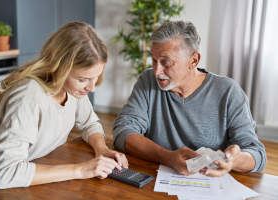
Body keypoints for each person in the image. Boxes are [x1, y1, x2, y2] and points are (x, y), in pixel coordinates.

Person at [0, 21, 128, 189]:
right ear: (60, 68)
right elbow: (6, 174)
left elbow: (90, 124)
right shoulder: (28, 97)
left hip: (36, 177)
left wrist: (102, 149)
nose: (92, 88)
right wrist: (80, 170)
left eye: (96, 77)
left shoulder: (73, 90)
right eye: (83, 79)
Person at [113, 21, 266, 177]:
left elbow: (256, 153)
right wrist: (167, 157)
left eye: (166, 62)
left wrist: (235, 160)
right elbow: (123, 131)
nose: (157, 71)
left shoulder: (229, 91)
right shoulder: (148, 81)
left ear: (194, 60)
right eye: (153, 60)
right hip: (156, 182)